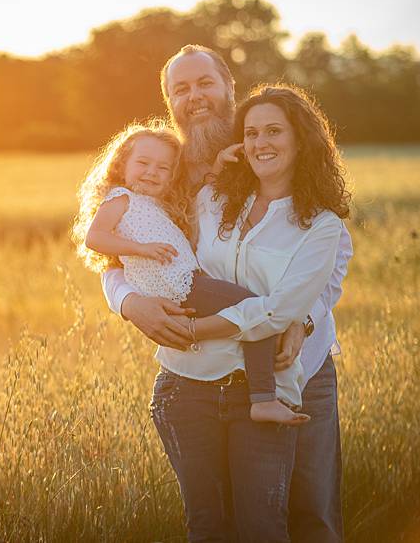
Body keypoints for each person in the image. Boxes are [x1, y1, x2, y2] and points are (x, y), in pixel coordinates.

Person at [103, 45, 353, 543]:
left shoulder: (268, 157)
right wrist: (130, 303)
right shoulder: (171, 173)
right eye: (181, 89)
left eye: (204, 84)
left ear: (228, 88)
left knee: (311, 514)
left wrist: (299, 322)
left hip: (294, 364)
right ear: (169, 100)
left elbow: (328, 267)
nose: (194, 97)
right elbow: (121, 254)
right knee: (228, 522)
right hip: (206, 374)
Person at [71, 120, 310, 425]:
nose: (151, 172)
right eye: (143, 163)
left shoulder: (155, 203)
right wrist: (141, 249)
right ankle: (263, 399)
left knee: (253, 314)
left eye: (163, 168)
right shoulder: (120, 198)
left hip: (190, 283)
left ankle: (263, 396)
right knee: (257, 310)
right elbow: (95, 238)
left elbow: (201, 196)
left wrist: (218, 169)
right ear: (121, 165)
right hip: (182, 287)